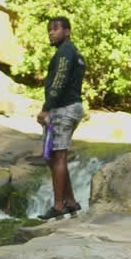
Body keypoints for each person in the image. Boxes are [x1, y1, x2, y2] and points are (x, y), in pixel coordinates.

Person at [36, 16, 86, 220]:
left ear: (67, 32)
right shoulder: (73, 52)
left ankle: (58, 206)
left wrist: (47, 108)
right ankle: (71, 203)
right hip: (69, 107)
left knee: (58, 156)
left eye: (55, 29)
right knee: (55, 157)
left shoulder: (66, 51)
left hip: (63, 109)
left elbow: (60, 78)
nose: (51, 32)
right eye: (49, 29)